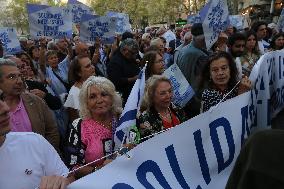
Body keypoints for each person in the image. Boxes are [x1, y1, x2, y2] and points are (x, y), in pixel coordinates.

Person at [0, 89, 74, 189]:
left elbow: (68, 178)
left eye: (1, 98)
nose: (5, 108)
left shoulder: (33, 141)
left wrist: (61, 182)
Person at [65, 76, 122, 179]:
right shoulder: (78, 126)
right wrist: (98, 169)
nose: (99, 100)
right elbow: (74, 167)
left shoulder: (124, 119)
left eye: (104, 94)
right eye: (92, 97)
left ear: (112, 97)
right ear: (85, 103)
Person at [0, 58, 60, 152]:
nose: (19, 81)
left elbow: (52, 131)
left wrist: (44, 154)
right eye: (11, 77)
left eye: (19, 76)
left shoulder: (36, 101)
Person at [138, 75, 187, 141]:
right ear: (151, 95)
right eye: (162, 93)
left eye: (170, 91)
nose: (168, 96)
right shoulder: (145, 119)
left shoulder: (177, 109)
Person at [176, 23, 209, 117]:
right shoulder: (200, 55)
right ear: (202, 38)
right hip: (195, 102)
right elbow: (201, 81)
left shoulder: (183, 50)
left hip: (183, 97)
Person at [107, 38, 140, 104]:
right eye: (133, 53)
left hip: (132, 95)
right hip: (123, 98)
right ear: (126, 51)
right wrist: (132, 79)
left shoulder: (129, 58)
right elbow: (115, 81)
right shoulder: (115, 62)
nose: (134, 55)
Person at [64, 55, 96, 122]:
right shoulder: (74, 93)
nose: (93, 67)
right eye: (88, 66)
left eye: (91, 64)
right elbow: (75, 120)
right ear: (79, 73)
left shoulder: (93, 82)